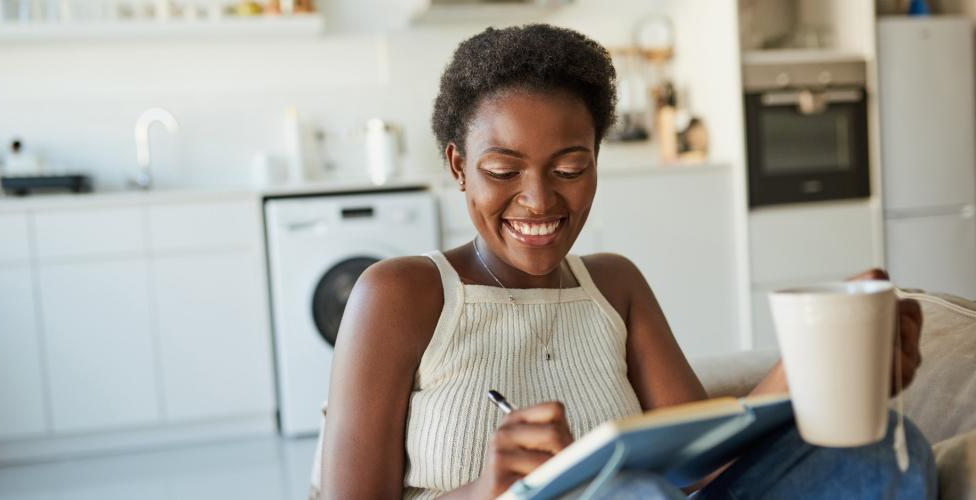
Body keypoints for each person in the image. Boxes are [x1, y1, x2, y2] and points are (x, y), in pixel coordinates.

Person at [319, 24, 935, 499]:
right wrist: (488, 491)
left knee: (886, 443)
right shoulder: (401, 294)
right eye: (503, 171)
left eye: (570, 169)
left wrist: (824, 363)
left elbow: (708, 458)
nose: (538, 200)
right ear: (458, 166)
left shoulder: (615, 284)